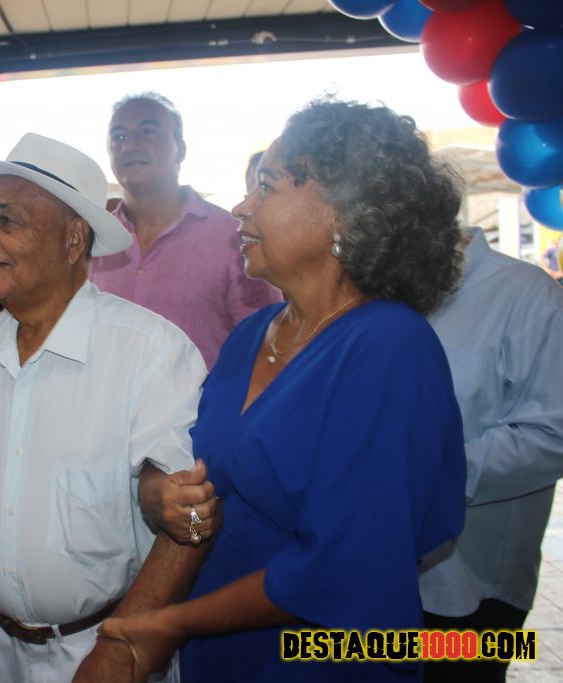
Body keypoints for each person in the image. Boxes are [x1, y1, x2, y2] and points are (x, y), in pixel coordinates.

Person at [98, 98, 468, 683]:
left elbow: (348, 564)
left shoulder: (389, 346)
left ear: (345, 213)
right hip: (222, 646)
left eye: (266, 186)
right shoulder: (252, 336)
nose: (241, 207)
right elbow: (204, 475)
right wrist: (159, 494)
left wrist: (172, 624)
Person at [0, 133, 214, 683]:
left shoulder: (150, 352)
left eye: (7, 220)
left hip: (102, 649)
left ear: (74, 238)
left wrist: (121, 646)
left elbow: (186, 519)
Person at [419, 226, 563, 683]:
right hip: (383, 574)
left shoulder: (524, 292)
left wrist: (422, 480)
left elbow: (552, 434)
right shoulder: (378, 290)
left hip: (475, 582)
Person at [91, 92, 281, 368]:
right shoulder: (96, 240)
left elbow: (267, 347)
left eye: (148, 131)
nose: (130, 145)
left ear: (180, 149)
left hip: (206, 397)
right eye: (118, 136)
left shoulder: (234, 237)